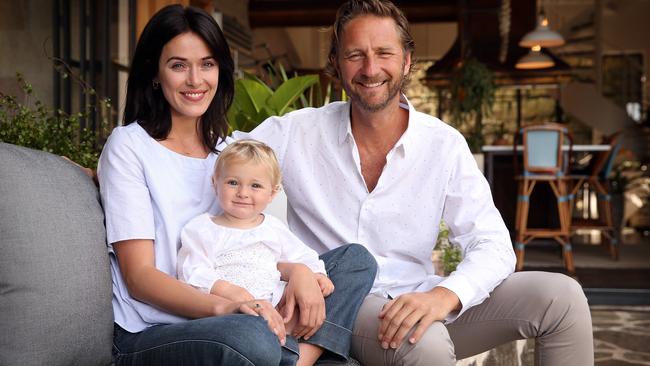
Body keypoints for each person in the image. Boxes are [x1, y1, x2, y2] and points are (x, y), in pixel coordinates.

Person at [239, 0, 595, 364]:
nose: (370, 68)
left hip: (418, 295)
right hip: (342, 303)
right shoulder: (295, 133)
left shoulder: (442, 143)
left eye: (383, 53)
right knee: (424, 342)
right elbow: (213, 160)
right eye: (355, 54)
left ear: (407, 60)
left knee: (561, 299)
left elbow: (492, 243)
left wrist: (443, 295)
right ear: (336, 63)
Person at [97, 4, 376, 366]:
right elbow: (140, 277)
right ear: (155, 73)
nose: (196, 80)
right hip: (157, 328)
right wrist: (231, 307)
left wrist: (300, 271)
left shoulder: (228, 152)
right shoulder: (130, 146)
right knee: (250, 337)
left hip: (248, 302)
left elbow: (249, 248)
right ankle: (298, 353)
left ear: (220, 72)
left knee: (355, 261)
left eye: (207, 64)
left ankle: (299, 358)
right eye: (178, 65)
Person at [177, 139, 336, 366]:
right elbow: (191, 272)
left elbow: (302, 255)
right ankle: (284, 352)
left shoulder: (273, 228)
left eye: (255, 186)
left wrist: (316, 275)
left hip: (281, 309)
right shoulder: (202, 228)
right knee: (250, 332)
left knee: (353, 264)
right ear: (215, 183)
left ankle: (289, 346)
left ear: (272, 193)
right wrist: (235, 293)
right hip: (236, 316)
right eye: (233, 182)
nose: (243, 193)